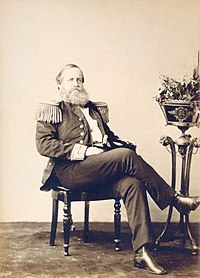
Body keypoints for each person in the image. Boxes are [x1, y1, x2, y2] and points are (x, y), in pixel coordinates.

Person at [35, 64, 200, 275]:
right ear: (59, 84)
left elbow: (110, 138)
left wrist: (114, 143)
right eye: (71, 80)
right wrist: (85, 151)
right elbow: (44, 144)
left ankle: (142, 252)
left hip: (97, 169)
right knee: (126, 157)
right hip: (70, 172)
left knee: (132, 183)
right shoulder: (52, 109)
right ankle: (175, 200)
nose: (77, 84)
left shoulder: (93, 109)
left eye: (80, 80)